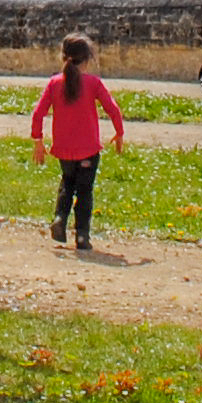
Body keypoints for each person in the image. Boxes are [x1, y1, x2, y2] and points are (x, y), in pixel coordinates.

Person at [28, 32, 128, 252]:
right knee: (84, 191)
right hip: (89, 149)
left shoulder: (54, 83)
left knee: (67, 184)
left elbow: (38, 113)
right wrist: (119, 132)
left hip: (63, 149)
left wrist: (38, 140)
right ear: (88, 59)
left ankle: (59, 219)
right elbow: (112, 108)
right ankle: (82, 236)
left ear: (63, 57)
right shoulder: (93, 83)